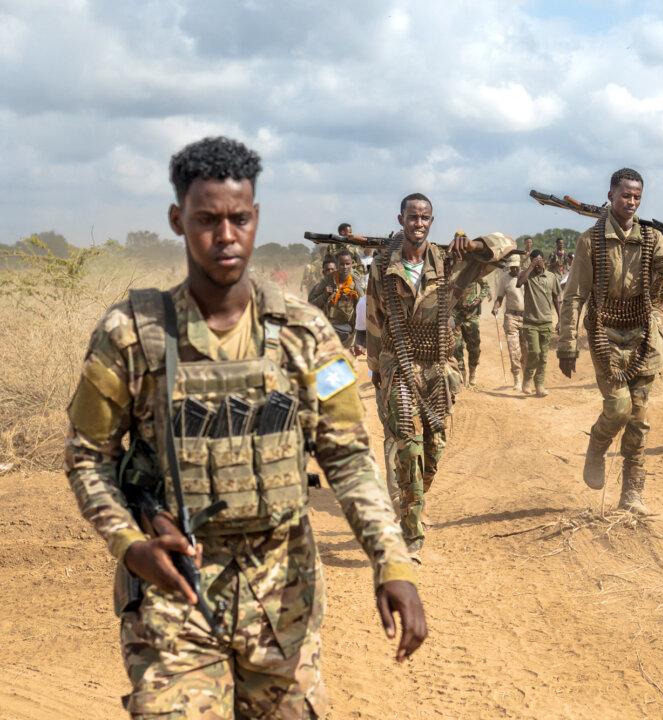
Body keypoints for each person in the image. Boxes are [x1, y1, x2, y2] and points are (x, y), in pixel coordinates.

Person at [63, 137, 425, 718]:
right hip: (173, 593)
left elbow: (350, 459)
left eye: (239, 218)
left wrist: (392, 561)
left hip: (282, 597)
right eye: (207, 219)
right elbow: (88, 457)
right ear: (179, 221)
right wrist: (130, 546)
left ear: (256, 220)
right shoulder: (132, 335)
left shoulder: (306, 334)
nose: (225, 235)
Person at [557, 168, 663, 513]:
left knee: (639, 420)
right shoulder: (590, 240)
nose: (631, 202)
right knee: (617, 408)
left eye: (637, 197)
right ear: (611, 195)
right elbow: (573, 296)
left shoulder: (652, 237)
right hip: (605, 334)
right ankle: (598, 445)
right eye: (626, 195)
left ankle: (632, 494)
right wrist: (567, 343)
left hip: (643, 335)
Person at [366, 193, 513, 555]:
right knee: (408, 444)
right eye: (412, 217)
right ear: (400, 219)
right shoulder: (382, 267)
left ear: (432, 222)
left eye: (425, 218)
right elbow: (374, 319)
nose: (418, 224)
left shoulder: (450, 260)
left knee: (434, 449)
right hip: (399, 364)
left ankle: (410, 494)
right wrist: (375, 369)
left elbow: (508, 249)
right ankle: (412, 532)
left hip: (438, 367)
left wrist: (475, 244)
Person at [517, 249, 561, 397]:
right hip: (531, 322)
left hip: (546, 322)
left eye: (539, 260)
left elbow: (556, 298)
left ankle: (539, 384)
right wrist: (530, 267)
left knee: (543, 356)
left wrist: (560, 319)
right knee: (534, 353)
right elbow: (519, 283)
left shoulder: (552, 277)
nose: (538, 264)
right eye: (534, 261)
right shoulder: (528, 276)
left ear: (544, 261)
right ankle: (527, 379)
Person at [309, 247, 364, 350]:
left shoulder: (356, 283)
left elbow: (363, 309)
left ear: (352, 264)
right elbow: (311, 304)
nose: (345, 267)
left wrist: (360, 339)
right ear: (337, 265)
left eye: (347, 264)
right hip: (329, 329)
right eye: (341, 264)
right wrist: (325, 295)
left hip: (348, 332)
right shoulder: (327, 281)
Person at [492, 254, 526, 389]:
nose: (514, 270)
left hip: (527, 318)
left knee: (527, 349)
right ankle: (517, 379)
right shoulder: (504, 279)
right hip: (511, 317)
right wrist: (496, 307)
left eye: (516, 267)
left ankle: (527, 378)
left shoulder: (526, 276)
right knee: (514, 350)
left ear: (520, 265)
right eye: (511, 267)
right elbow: (500, 297)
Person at [452, 278, 491, 387]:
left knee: (474, 348)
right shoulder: (453, 269)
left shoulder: (474, 269)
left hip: (471, 315)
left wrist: (479, 299)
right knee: (456, 346)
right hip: (456, 315)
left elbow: (486, 286)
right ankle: (461, 375)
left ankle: (472, 373)